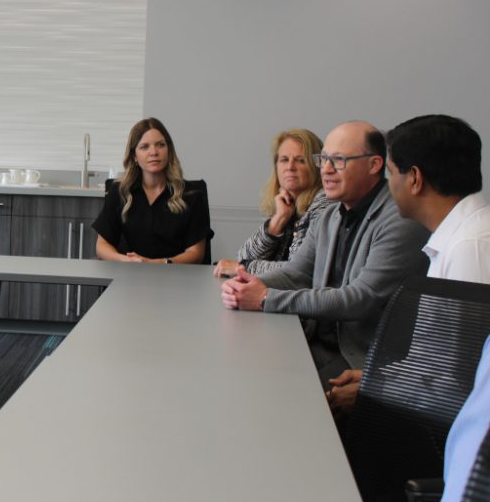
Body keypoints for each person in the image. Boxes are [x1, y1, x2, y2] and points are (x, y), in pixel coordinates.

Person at [220, 121, 430, 384]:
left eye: (339, 160)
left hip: (357, 359)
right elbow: (296, 273)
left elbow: (361, 299)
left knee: (267, 385)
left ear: (374, 165)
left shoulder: (399, 219)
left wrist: (265, 298)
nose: (326, 170)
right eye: (324, 160)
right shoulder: (331, 213)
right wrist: (245, 284)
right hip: (315, 341)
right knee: (239, 366)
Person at [326, 115, 490, 418]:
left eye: (390, 173)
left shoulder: (471, 247)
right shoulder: (457, 235)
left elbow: (463, 383)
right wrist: (377, 376)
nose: (388, 186)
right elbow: (437, 360)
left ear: (414, 178)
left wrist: (375, 392)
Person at [214, 128, 330, 277]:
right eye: (284, 160)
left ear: (316, 166)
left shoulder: (324, 205)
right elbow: (243, 256)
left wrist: (242, 268)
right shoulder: (288, 206)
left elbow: (302, 271)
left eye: (300, 160)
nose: (290, 167)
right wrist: (277, 221)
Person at [93, 118, 210, 264]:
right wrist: (127, 261)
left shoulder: (192, 195)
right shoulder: (120, 192)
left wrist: (160, 263)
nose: (154, 152)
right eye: (144, 147)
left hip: (175, 278)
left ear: (169, 151)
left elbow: (196, 253)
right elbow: (102, 246)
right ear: (134, 156)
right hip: (130, 276)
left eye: (160, 145)